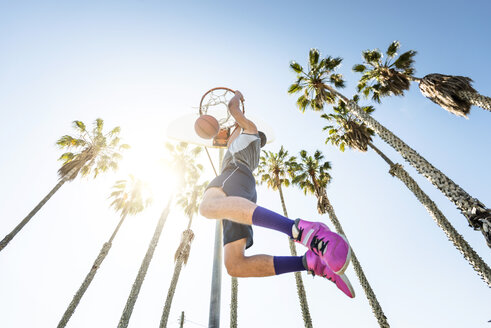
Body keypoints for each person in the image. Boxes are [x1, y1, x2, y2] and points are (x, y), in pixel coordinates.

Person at [199, 90, 355, 298]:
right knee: (235, 265)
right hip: (240, 191)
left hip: (234, 175)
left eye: (238, 128)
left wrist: (236, 96)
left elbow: (232, 108)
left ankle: (303, 230)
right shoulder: (244, 145)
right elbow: (229, 139)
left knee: (207, 207)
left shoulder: (250, 130)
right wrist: (226, 131)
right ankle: (310, 262)